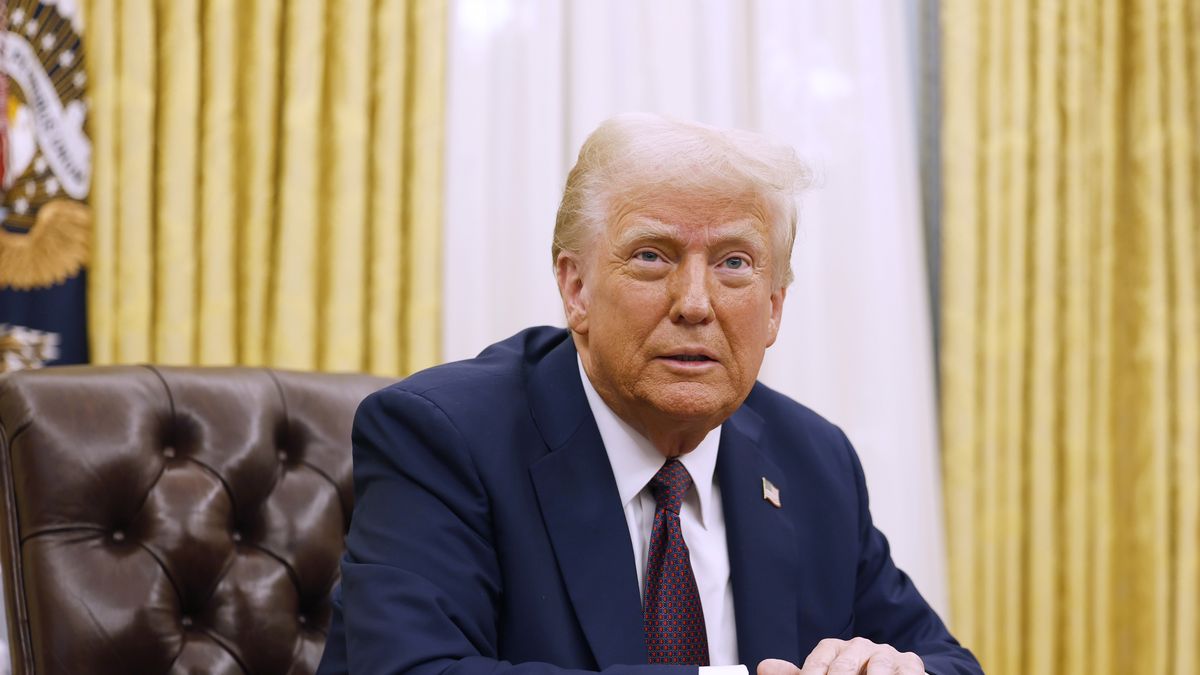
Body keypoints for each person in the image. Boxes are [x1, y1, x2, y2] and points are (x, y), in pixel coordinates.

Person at [317, 114, 982, 675]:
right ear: (576, 288)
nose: (695, 302)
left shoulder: (814, 461)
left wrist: (902, 670)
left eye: (734, 263)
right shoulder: (443, 436)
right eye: (652, 256)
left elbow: (949, 659)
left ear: (775, 307)